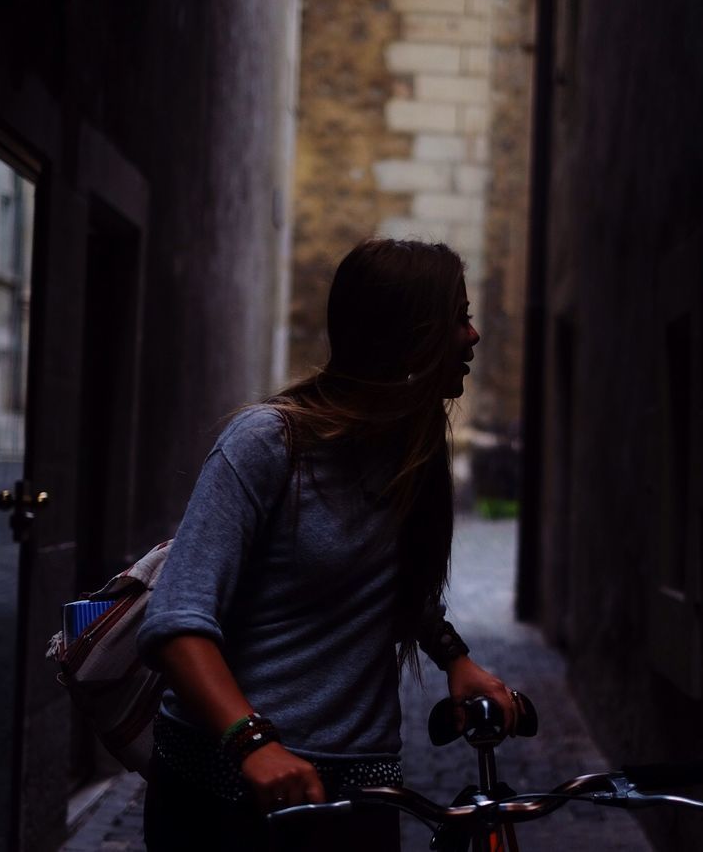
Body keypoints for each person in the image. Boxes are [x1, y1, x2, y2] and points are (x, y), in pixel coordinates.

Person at [136, 239, 518, 851]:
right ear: (408, 335)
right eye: (457, 317)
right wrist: (253, 744)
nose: (473, 335)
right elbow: (176, 621)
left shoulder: (410, 454)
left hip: (360, 784)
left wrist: (454, 658)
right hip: (230, 784)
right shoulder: (268, 443)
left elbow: (395, 584)